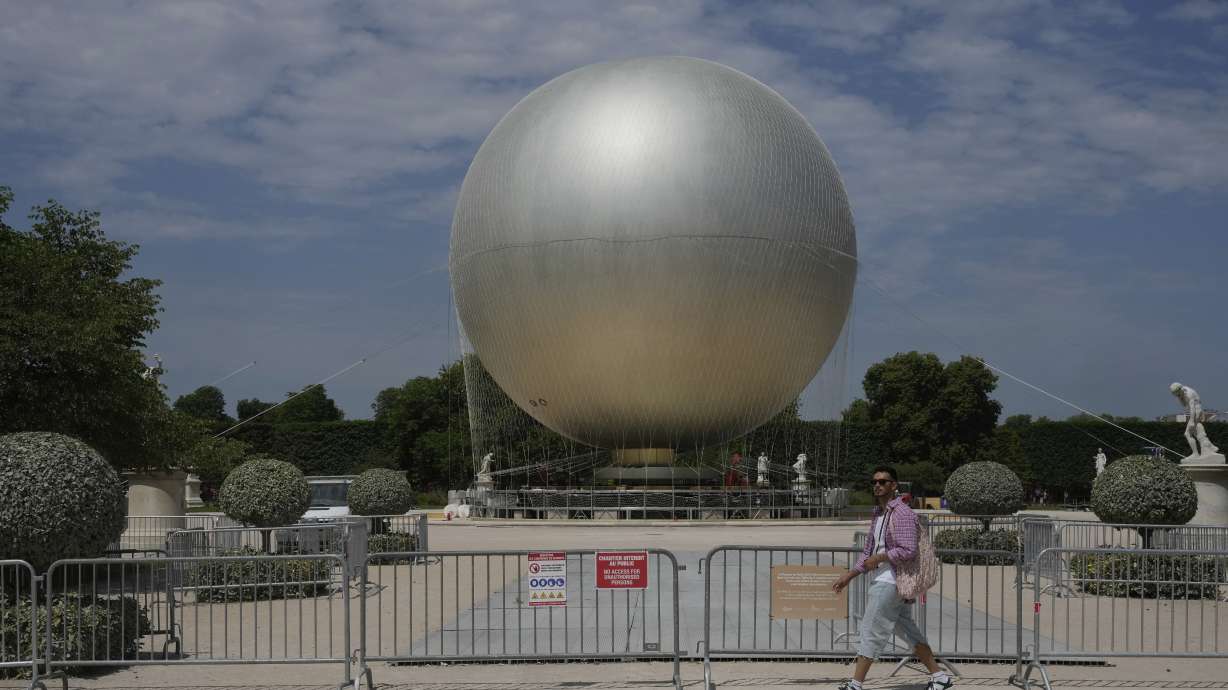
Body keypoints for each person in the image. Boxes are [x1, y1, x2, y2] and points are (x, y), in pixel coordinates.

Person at [832, 466, 952, 690]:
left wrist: (881, 556)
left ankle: (856, 684)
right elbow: (868, 552)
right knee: (908, 632)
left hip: (892, 580)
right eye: (875, 482)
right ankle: (940, 677)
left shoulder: (903, 513)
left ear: (894, 485)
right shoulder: (878, 513)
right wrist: (849, 575)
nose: (877, 485)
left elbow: (908, 551)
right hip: (885, 577)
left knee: (870, 630)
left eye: (883, 481)